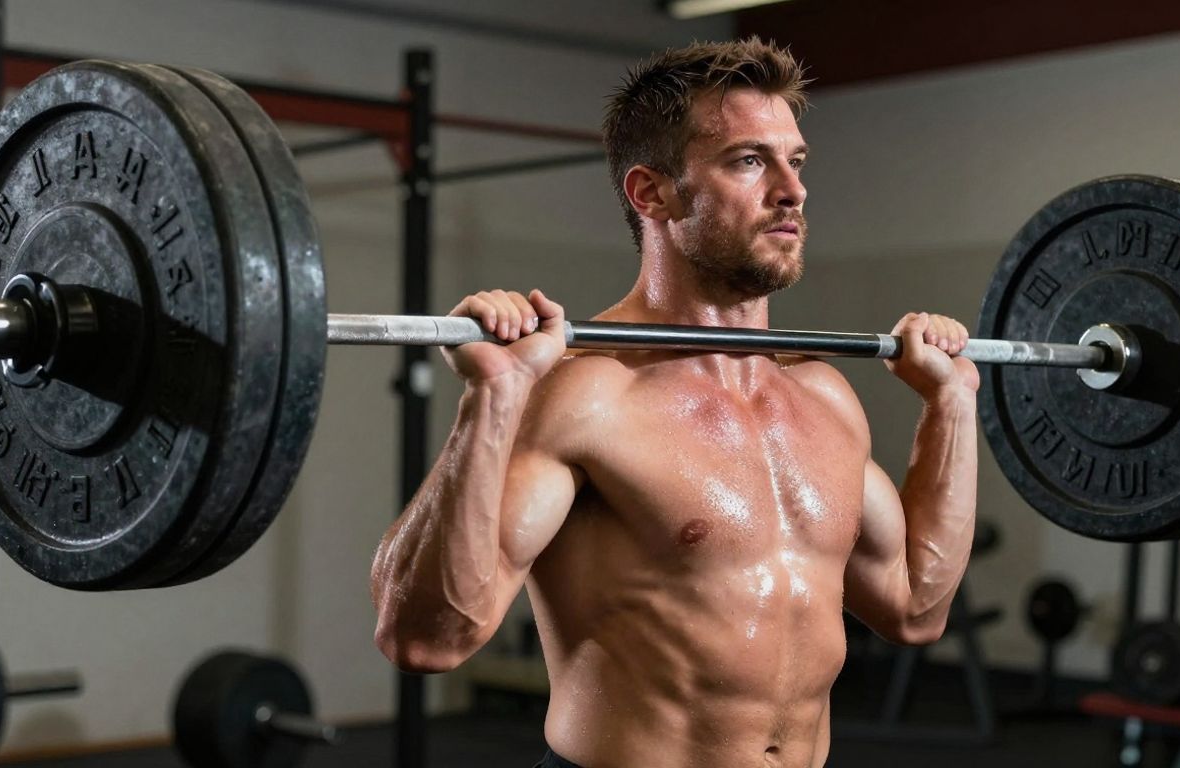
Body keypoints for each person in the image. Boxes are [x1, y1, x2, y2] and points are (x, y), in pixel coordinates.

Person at [370, 37, 979, 768]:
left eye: (797, 160)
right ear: (650, 192)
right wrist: (494, 398)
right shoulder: (590, 396)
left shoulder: (824, 396)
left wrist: (953, 407)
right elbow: (425, 637)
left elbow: (915, 609)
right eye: (749, 161)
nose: (792, 189)